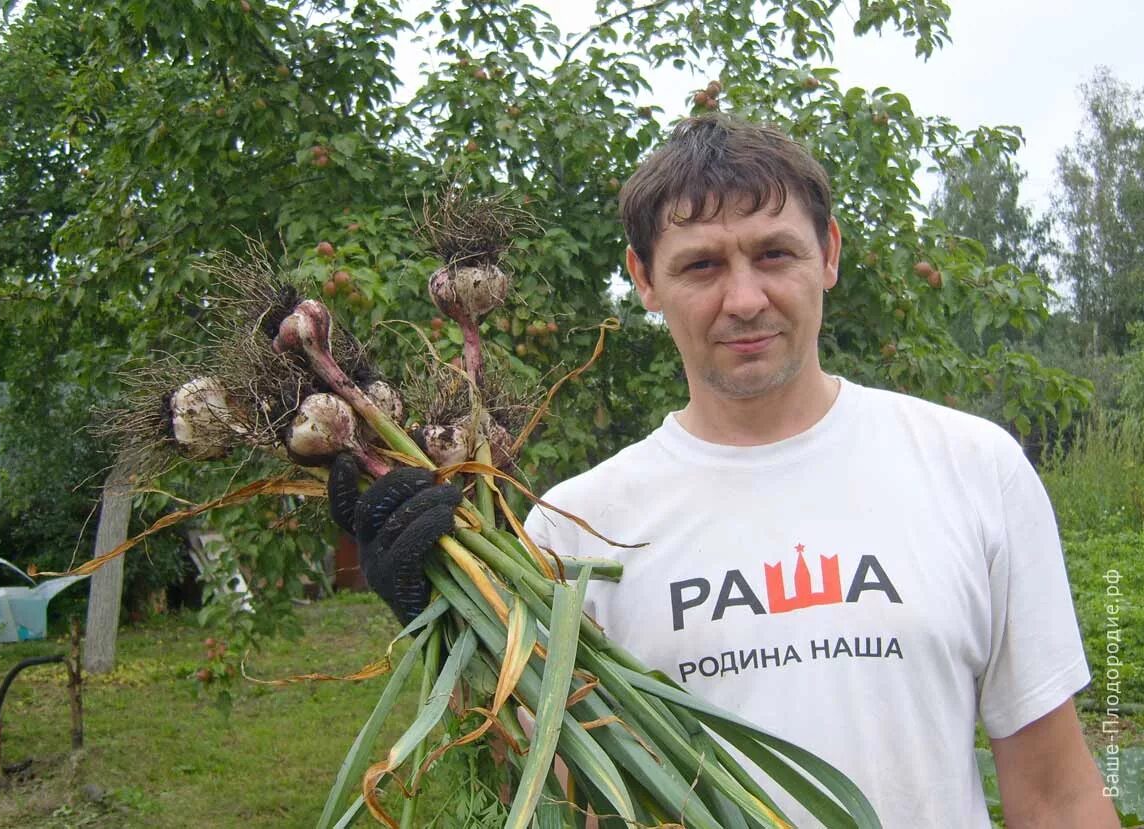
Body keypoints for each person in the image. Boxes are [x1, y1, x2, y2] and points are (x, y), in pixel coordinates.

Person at [328, 115, 1117, 827]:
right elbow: (545, 796)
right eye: (701, 266)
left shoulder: (975, 467)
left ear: (830, 253)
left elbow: (1056, 794)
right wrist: (452, 625)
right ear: (643, 280)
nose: (745, 299)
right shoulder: (570, 530)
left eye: (775, 253)